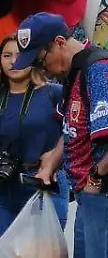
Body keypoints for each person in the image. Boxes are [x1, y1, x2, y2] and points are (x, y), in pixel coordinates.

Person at [15, 13, 108, 258]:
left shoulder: (99, 71)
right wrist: (52, 161)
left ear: (59, 42)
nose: (41, 68)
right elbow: (74, 127)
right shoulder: (75, 73)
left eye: (40, 59)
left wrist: (96, 176)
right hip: (90, 197)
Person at [0, 34, 67, 232]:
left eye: (20, 55)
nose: (13, 61)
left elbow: (76, 128)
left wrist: (56, 155)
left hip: (43, 181)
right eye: (6, 55)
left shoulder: (53, 92)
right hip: (4, 185)